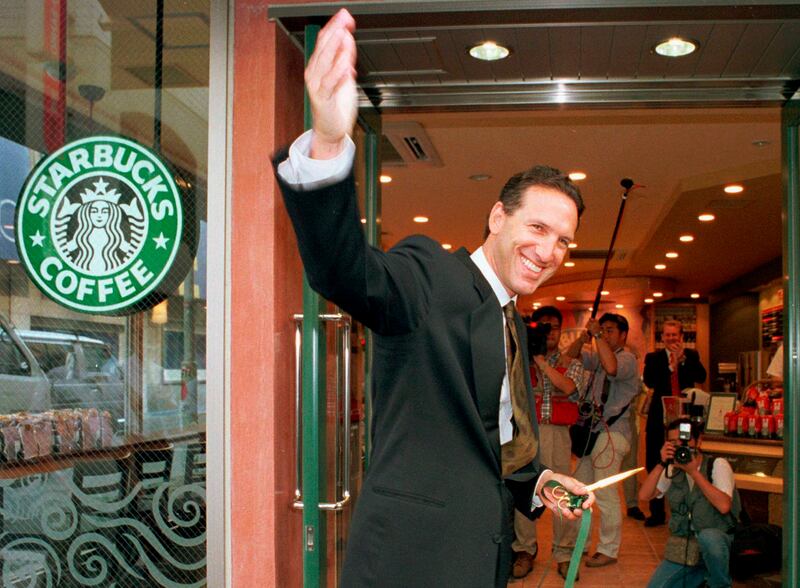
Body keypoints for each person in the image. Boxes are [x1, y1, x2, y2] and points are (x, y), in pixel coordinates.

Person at [271, 9, 595, 587]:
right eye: (538, 228)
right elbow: (344, 271)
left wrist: (540, 483)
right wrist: (327, 141)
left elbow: (494, 437)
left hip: (483, 557)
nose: (550, 252)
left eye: (564, 242)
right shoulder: (429, 276)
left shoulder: (512, 321)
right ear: (498, 216)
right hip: (411, 562)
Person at [511, 306, 588, 579]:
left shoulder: (573, 363)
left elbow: (568, 388)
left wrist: (543, 362)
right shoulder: (518, 360)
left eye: (553, 327)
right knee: (523, 490)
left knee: (561, 492)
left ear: (560, 330)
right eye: (541, 326)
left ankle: (564, 552)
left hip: (557, 434)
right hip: (526, 434)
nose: (548, 332)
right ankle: (524, 550)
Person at [562, 313, 640, 573]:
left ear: (623, 335)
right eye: (603, 330)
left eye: (610, 331)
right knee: (579, 488)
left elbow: (612, 368)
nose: (605, 334)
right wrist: (584, 336)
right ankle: (580, 542)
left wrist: (595, 336)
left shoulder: (627, 358)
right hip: (592, 432)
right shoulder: (598, 355)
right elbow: (570, 357)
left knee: (605, 492)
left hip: (613, 433)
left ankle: (608, 549)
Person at [640, 417, 737, 588]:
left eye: (684, 441)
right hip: (685, 546)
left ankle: (719, 584)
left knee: (709, 538)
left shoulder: (717, 464)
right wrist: (662, 463)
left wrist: (694, 472)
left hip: (717, 542)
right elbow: (644, 495)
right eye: (673, 442)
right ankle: (700, 577)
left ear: (699, 441)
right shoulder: (672, 469)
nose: (680, 447)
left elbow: (724, 506)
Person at [643, 319, 707, 527]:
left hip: (684, 417)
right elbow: (650, 381)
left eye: (675, 335)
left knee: (685, 457)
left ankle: (687, 508)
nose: (671, 338)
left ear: (681, 337)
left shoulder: (692, 355)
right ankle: (657, 512)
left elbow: (701, 376)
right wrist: (671, 367)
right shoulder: (653, 358)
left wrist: (684, 361)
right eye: (668, 335)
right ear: (662, 338)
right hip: (659, 417)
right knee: (655, 459)